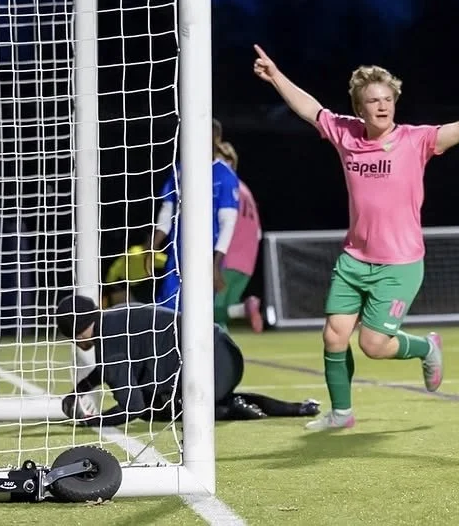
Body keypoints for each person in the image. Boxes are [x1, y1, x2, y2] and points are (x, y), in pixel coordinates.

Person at [252, 44, 459, 431]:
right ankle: (341, 414)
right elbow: (310, 109)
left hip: (399, 264)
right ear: (359, 108)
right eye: (373, 100)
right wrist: (276, 76)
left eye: (388, 99)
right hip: (354, 259)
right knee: (334, 337)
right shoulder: (345, 133)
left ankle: (426, 347)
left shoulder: (415, 140)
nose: (382, 106)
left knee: (373, 346)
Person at [53, 294, 319, 426]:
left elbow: (132, 408)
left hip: (208, 366)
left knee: (152, 410)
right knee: (170, 395)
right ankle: (299, 408)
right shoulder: (116, 315)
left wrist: (91, 421)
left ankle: (230, 410)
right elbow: (109, 369)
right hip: (224, 353)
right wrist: (80, 390)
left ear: (76, 333)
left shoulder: (108, 345)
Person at [147, 119, 239, 311]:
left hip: (205, 260)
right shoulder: (180, 170)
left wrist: (215, 265)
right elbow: (168, 210)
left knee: (198, 313)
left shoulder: (225, 176)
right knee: (166, 313)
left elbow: (228, 224)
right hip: (176, 258)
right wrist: (153, 247)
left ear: (216, 138)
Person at [213, 140, 265, 333]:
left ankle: (244, 308)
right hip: (247, 264)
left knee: (207, 313)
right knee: (220, 317)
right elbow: (258, 233)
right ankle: (242, 310)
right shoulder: (246, 191)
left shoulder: (224, 186)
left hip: (226, 260)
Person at [100, 234, 167, 308]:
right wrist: (109, 284)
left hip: (134, 286)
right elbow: (116, 267)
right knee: (127, 310)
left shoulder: (154, 257)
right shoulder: (136, 253)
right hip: (120, 285)